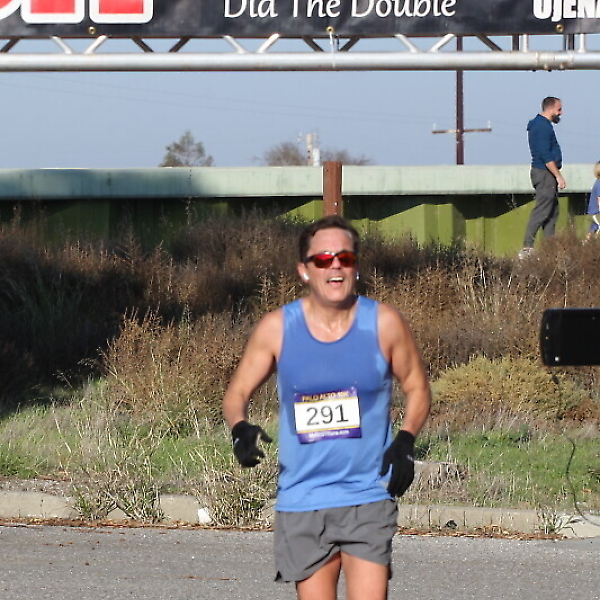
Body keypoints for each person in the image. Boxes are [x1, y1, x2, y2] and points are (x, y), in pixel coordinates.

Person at [222, 215, 431, 600]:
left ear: (356, 267)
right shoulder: (277, 328)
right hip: (303, 497)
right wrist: (240, 428)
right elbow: (236, 393)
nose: (335, 266)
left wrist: (405, 440)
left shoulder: (384, 323)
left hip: (367, 493)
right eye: (323, 259)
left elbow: (417, 388)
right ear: (304, 270)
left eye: (345, 258)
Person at [519, 96, 566, 259]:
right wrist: (558, 176)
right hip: (544, 173)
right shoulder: (542, 127)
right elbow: (545, 156)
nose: (561, 113)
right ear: (550, 109)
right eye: (559, 109)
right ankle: (527, 247)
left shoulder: (542, 125)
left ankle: (550, 251)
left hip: (546, 173)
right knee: (543, 210)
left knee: (552, 212)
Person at [586, 161, 600, 240]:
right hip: (596, 212)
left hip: (594, 212)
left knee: (593, 228)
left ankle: (585, 243)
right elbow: (599, 199)